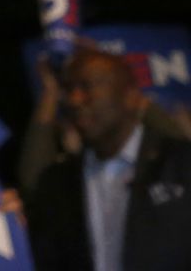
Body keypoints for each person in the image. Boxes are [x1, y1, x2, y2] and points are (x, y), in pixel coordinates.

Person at [28, 46, 191, 270]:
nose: (74, 100)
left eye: (87, 87)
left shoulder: (180, 164)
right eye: (68, 90)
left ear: (130, 96)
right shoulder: (57, 183)